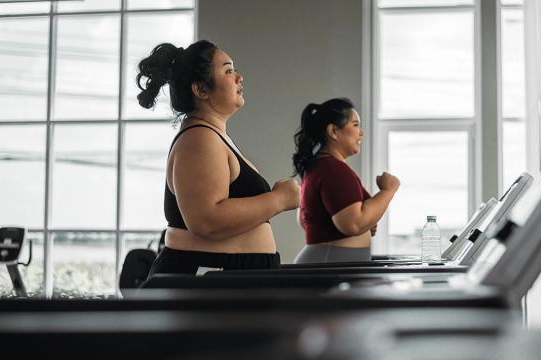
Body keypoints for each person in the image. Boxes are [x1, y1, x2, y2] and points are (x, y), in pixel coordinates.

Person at [136, 40, 300, 275]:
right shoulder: (199, 139)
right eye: (228, 70)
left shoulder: (210, 136)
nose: (239, 77)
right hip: (211, 275)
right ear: (201, 89)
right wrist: (280, 200)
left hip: (225, 274)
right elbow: (206, 220)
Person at [292, 98, 400, 263]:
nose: (361, 133)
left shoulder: (319, 167)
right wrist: (388, 190)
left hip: (328, 261)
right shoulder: (332, 169)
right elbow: (354, 224)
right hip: (328, 264)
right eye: (356, 125)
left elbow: (307, 219)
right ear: (334, 131)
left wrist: (367, 222)